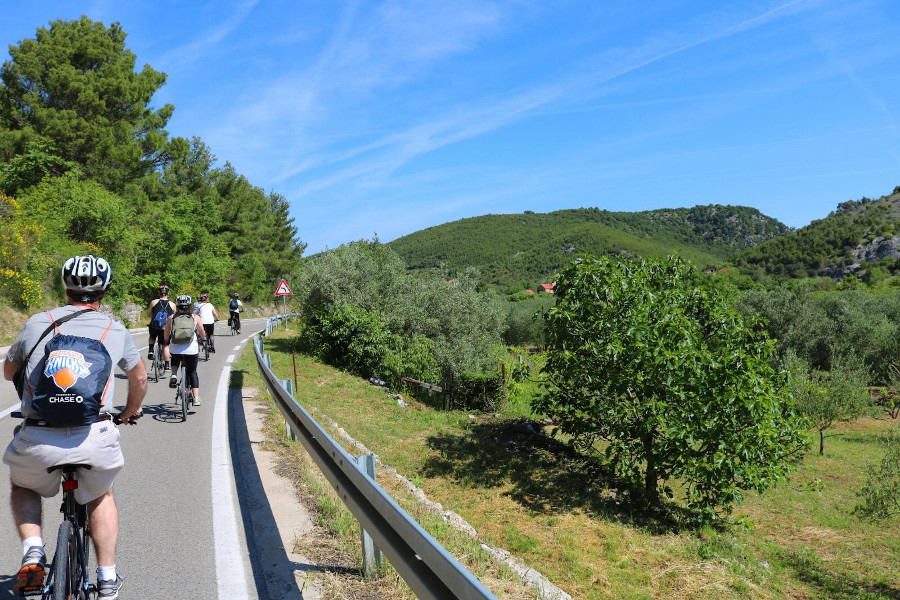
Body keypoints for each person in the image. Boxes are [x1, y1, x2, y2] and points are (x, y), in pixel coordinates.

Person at [3, 255, 146, 599]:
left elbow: (9, 372)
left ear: (63, 287)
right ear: (105, 290)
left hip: (38, 435)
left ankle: (34, 550)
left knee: (23, 484)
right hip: (93, 434)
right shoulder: (115, 329)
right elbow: (139, 377)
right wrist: (131, 410)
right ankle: (107, 577)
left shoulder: (38, 322)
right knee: (100, 494)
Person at [166, 294, 205, 406]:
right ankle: (196, 398)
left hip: (176, 348)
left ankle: (174, 374)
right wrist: (203, 339)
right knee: (192, 372)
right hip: (191, 350)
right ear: (190, 306)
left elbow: (166, 332)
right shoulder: (195, 317)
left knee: (175, 357)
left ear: (177, 306)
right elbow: (201, 331)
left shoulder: (171, 318)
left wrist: (166, 339)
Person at [146, 284, 175, 371]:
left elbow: (148, 315)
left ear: (159, 293)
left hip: (154, 326)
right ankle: (167, 365)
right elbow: (174, 317)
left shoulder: (153, 302)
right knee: (165, 345)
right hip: (165, 328)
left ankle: (151, 350)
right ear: (168, 293)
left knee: (152, 337)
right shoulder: (172, 304)